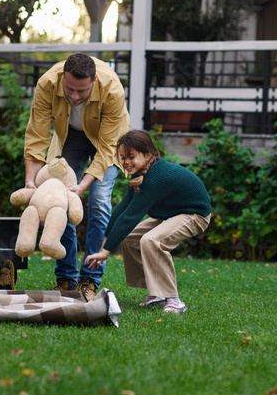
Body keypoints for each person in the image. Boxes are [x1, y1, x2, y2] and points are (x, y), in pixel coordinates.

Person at [23, 52, 130, 302]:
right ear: (63, 78)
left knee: (99, 201)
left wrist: (83, 184)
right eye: (69, 89)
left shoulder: (112, 89)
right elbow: (37, 135)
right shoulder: (47, 83)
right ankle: (66, 279)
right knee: (58, 201)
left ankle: (89, 281)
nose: (74, 96)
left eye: (81, 91)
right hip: (71, 136)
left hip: (108, 141)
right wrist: (31, 180)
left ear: (93, 80)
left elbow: (107, 149)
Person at [86, 129, 211, 314]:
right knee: (130, 238)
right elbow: (122, 209)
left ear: (147, 155)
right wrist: (105, 243)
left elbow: (131, 217)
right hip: (173, 213)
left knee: (151, 240)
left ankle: (174, 299)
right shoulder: (141, 173)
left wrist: (106, 252)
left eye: (131, 156)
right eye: (122, 157)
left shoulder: (154, 179)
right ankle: (157, 293)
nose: (126, 162)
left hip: (195, 214)